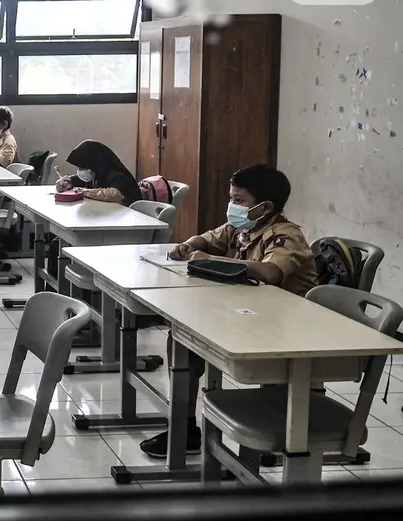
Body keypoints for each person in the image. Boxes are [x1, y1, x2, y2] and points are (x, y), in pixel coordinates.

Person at [138, 164, 318, 458]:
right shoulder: (243, 227)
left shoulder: (286, 236)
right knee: (182, 338)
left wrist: (210, 260)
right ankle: (184, 428)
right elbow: (210, 238)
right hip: (250, 314)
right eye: (232, 198)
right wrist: (189, 244)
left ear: (265, 207)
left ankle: (262, 434)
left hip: (286, 329)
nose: (232, 206)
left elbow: (270, 272)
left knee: (189, 338)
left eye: (239, 200)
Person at [54, 140, 139, 207]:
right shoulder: (97, 173)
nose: (80, 170)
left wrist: (82, 192)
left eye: (83, 167)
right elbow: (78, 180)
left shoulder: (117, 176)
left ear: (93, 163)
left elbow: (114, 194)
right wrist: (66, 181)